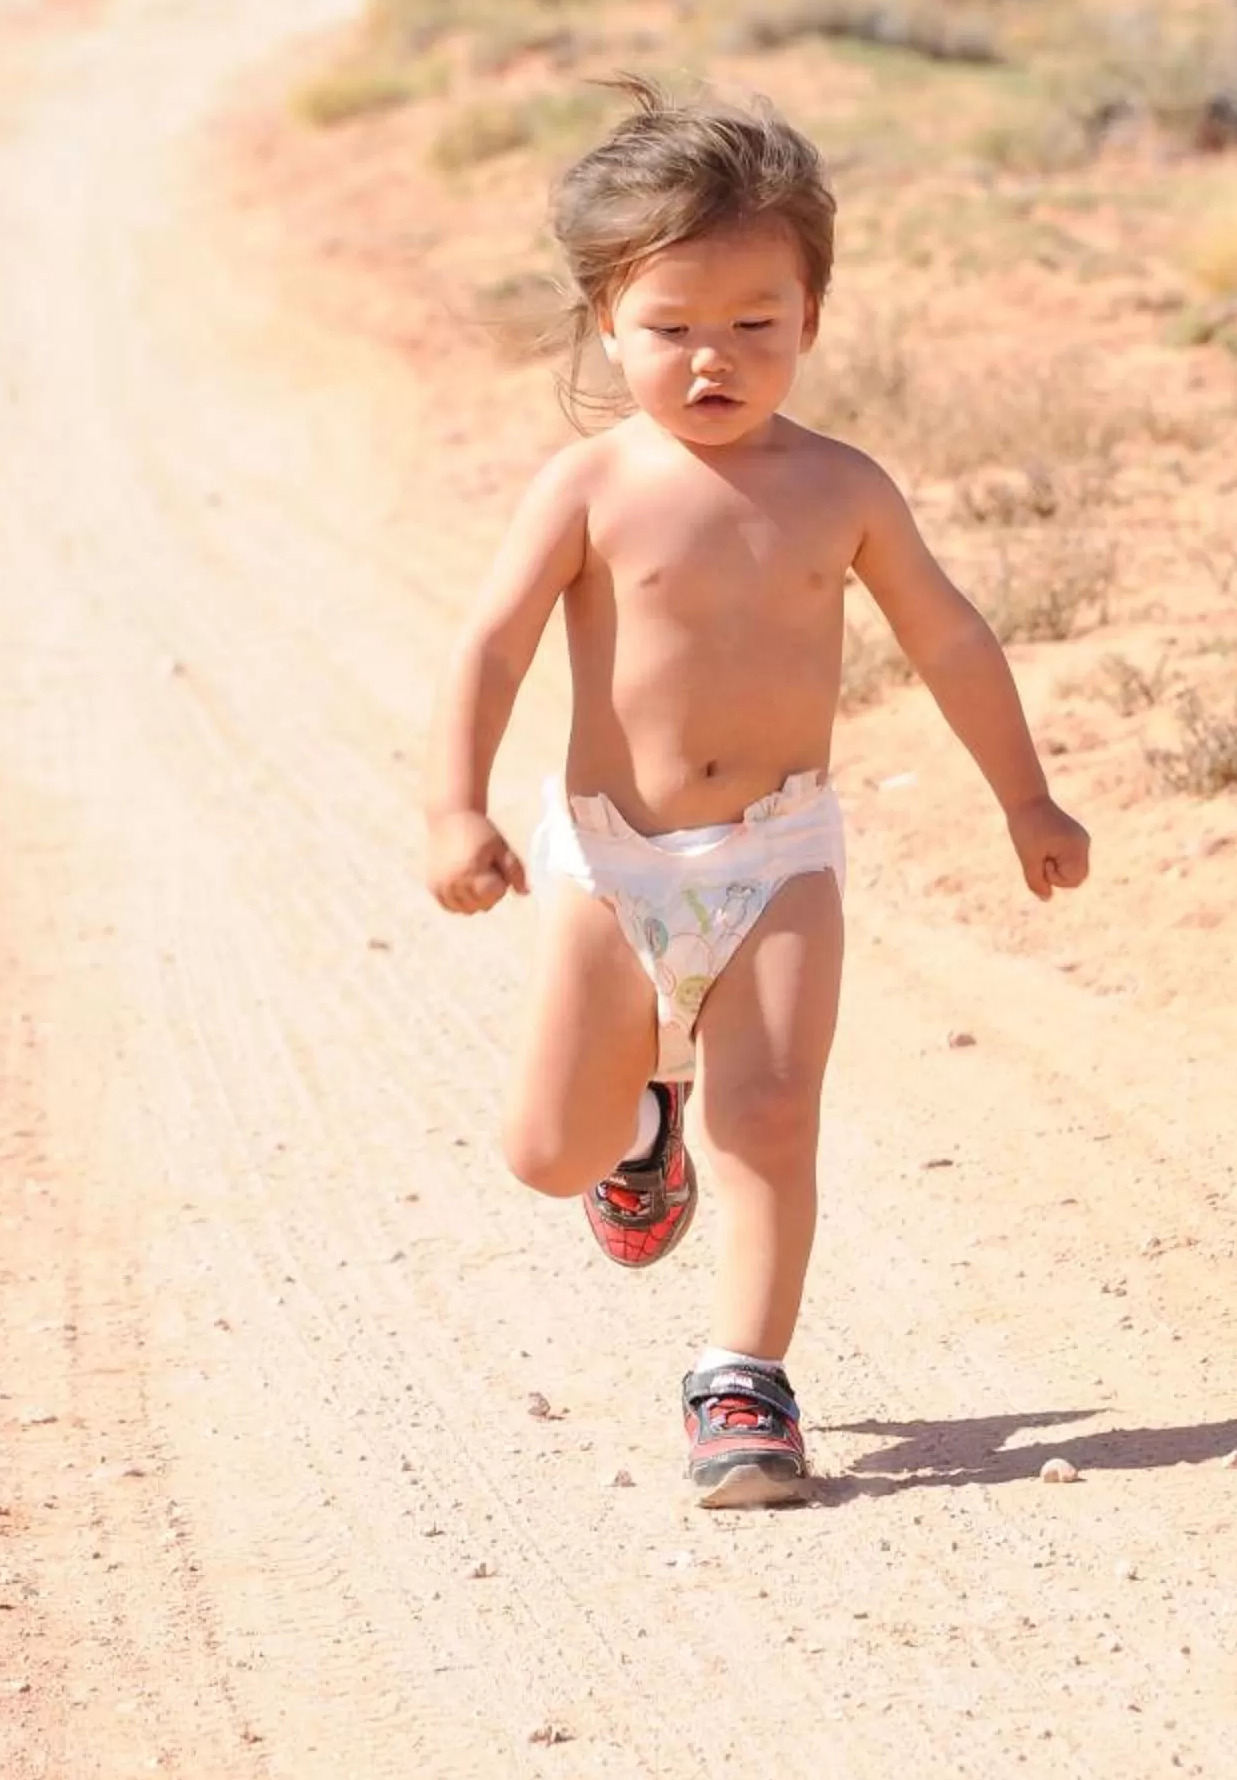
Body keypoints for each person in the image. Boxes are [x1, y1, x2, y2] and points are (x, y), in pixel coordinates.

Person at [424, 84, 1089, 1506]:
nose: (712, 361)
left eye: (754, 327)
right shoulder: (592, 483)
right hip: (614, 861)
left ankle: (744, 1385)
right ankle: (636, 1132)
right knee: (548, 1156)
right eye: (672, 329)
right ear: (609, 320)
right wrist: (454, 809)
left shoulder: (841, 487)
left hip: (780, 847)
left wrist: (1026, 800)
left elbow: (951, 637)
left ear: (810, 321)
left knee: (774, 1116)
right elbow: (490, 642)